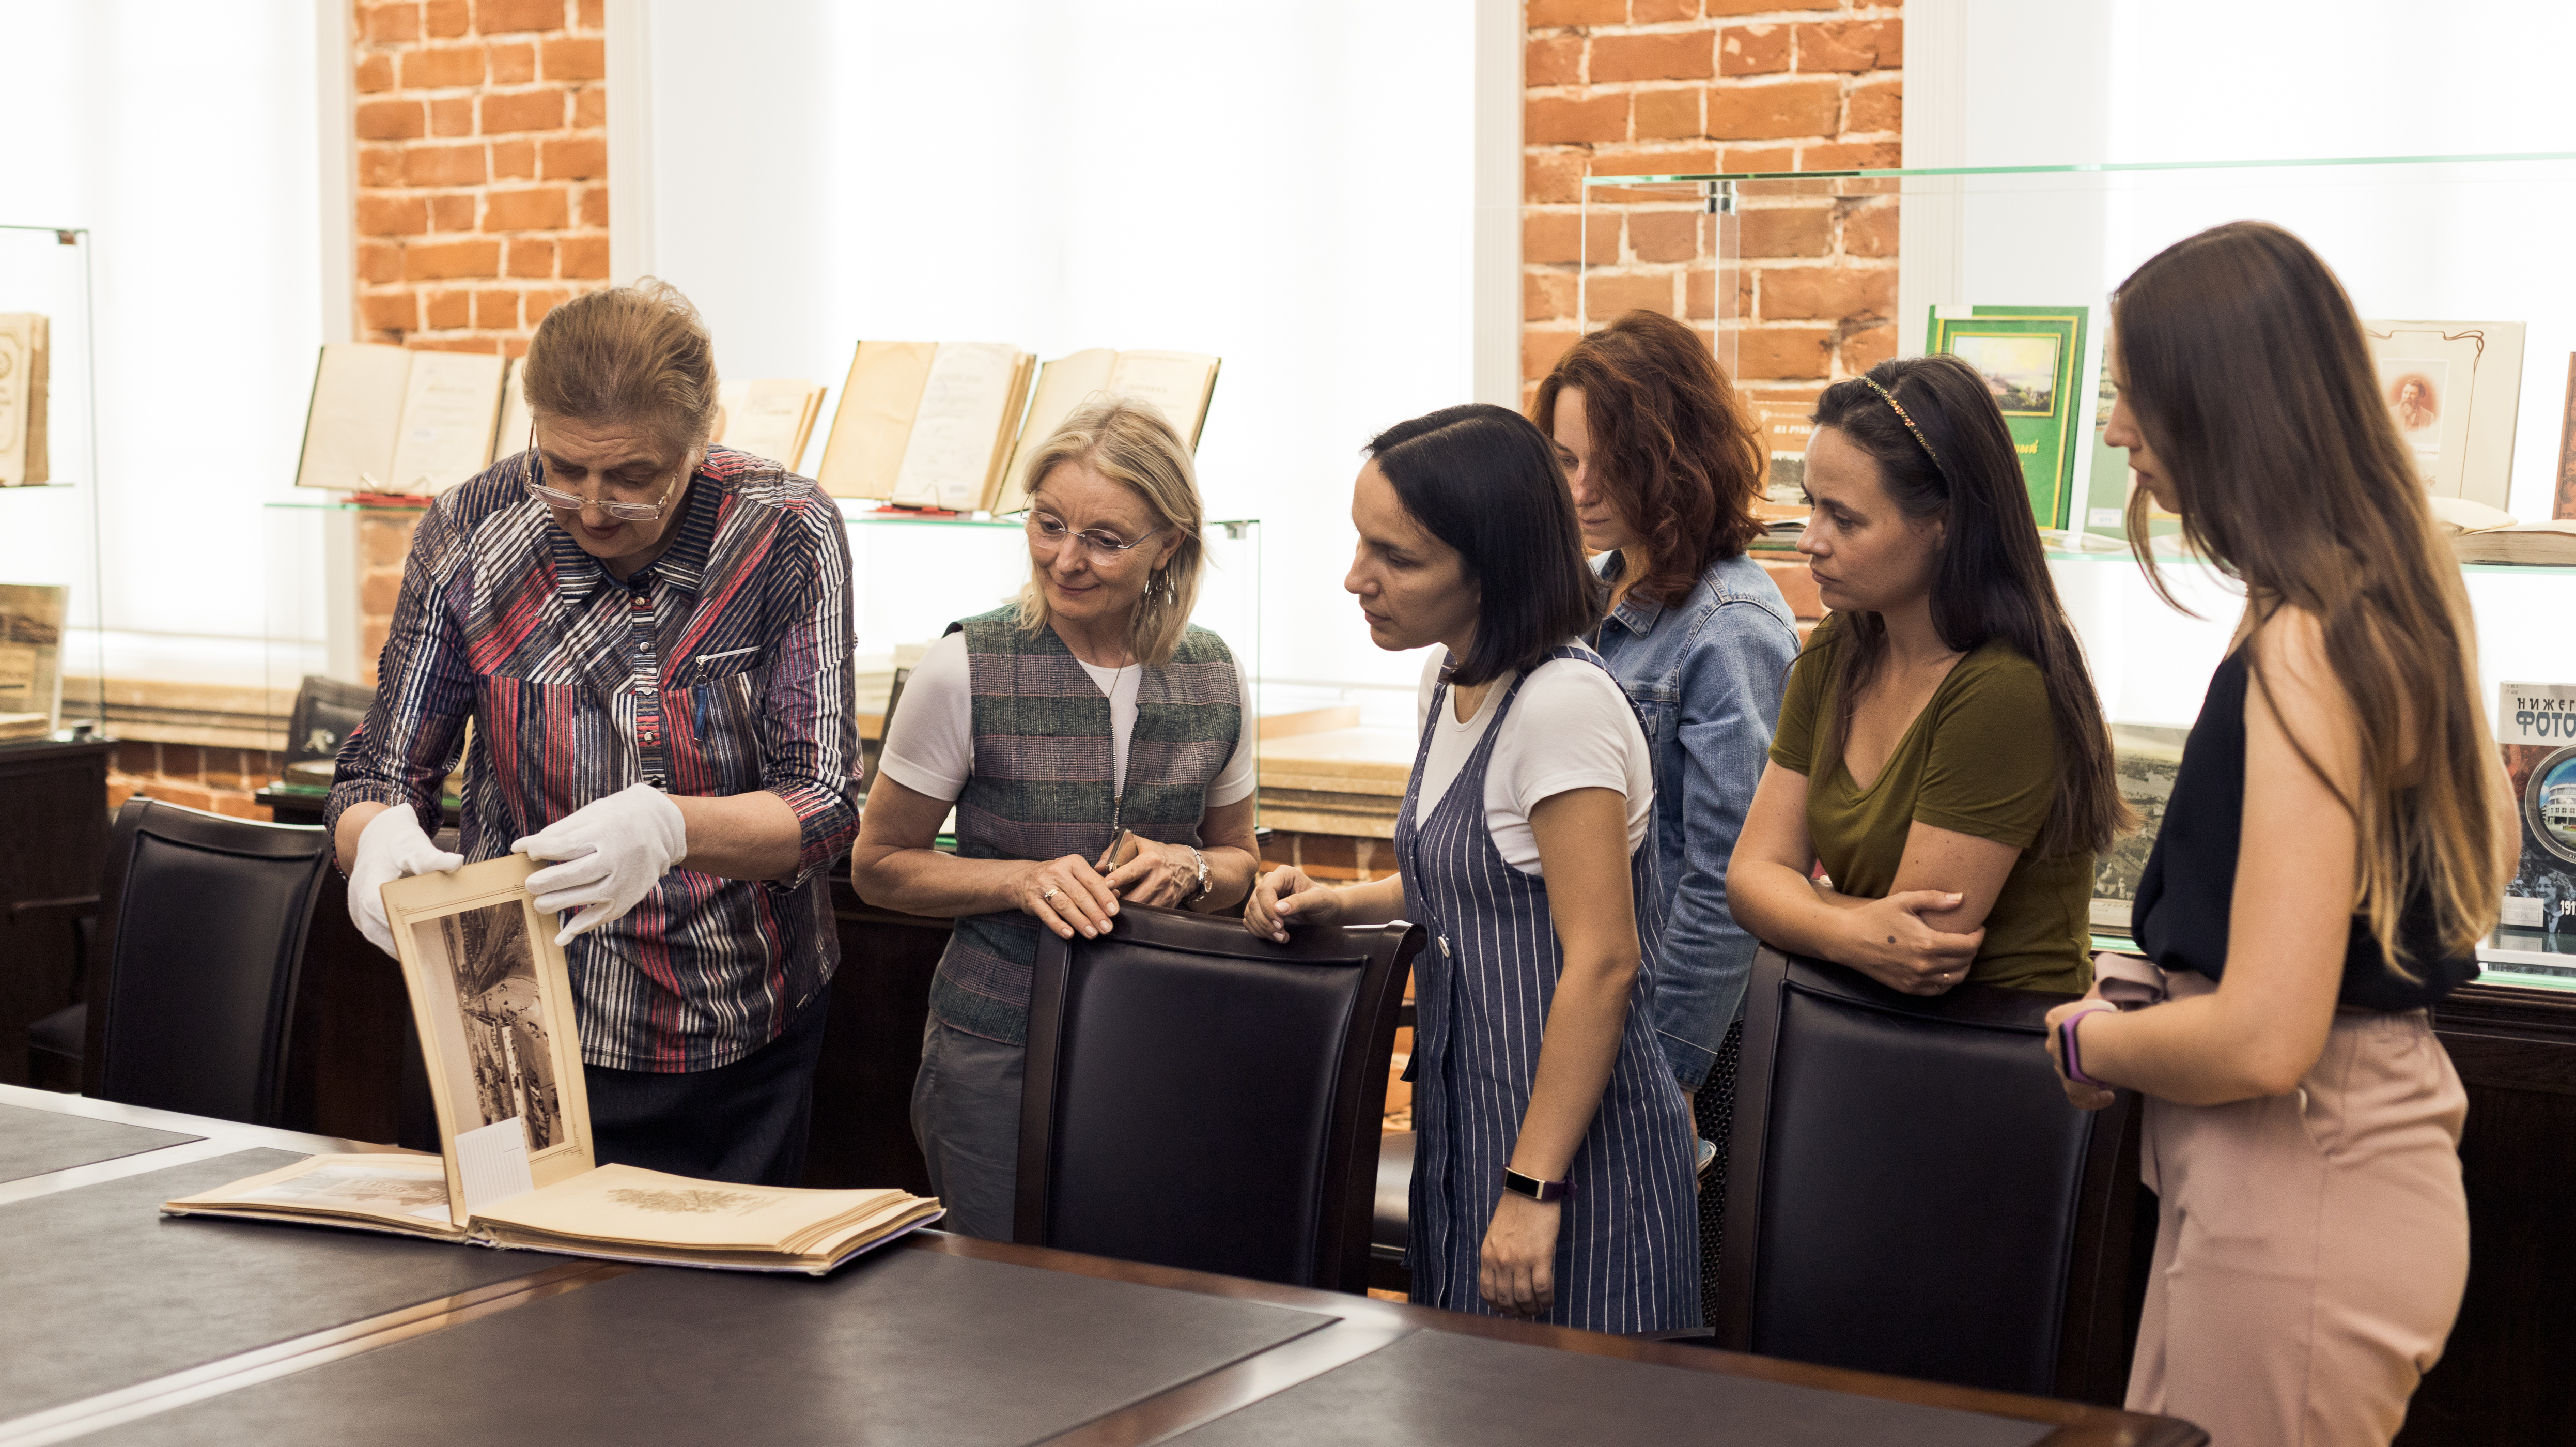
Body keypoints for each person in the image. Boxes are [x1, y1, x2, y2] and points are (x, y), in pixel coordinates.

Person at [2050, 220, 2509, 1446]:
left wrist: (2097, 1042)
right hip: (2297, 1172)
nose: (2109, 433)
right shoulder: (2361, 609)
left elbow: (2263, 1035)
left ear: (2221, 403)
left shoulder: (2307, 642)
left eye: (2129, 398)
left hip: (2301, 1181)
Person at [327, 280, 860, 1187]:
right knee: (500, 1310)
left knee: (719, 1321)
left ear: (702, 439)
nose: (593, 507)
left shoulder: (785, 534)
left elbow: (824, 805)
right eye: (564, 468)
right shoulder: (470, 530)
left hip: (728, 1023)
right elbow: (377, 774)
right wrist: (374, 838)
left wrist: (671, 828)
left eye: (634, 478)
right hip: (506, 1018)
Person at [1247, 404, 1698, 1334]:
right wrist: (1337, 901)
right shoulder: (1451, 678)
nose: (1355, 579)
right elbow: (1466, 882)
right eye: (1360, 543)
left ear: (1492, 571)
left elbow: (1603, 960)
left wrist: (1534, 1187)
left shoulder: (1561, 707)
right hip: (1473, 1132)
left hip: (1575, 1159)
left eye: (1397, 559)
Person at [850, 399, 1261, 1241]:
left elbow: (1241, 861)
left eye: (1105, 540)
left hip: (1167, 1049)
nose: (1065, 560)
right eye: (1046, 524)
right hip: (993, 1051)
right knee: (1001, 1322)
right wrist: (1020, 880)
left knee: (1149, 1310)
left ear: (1168, 547)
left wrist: (1195, 871)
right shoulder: (964, 667)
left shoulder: (1214, 674)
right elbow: (878, 864)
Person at [1533, 309, 1799, 1316]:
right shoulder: (1590, 598)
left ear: (1678, 458)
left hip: (1685, 1033)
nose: (1585, 490)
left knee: (1664, 1337)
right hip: (1597, 1018)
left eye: (1614, 463)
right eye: (1564, 460)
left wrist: (1665, 1066)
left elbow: (1728, 878)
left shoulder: (1729, 623)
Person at [1728, 355, 2129, 997]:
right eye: (1812, 506)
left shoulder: (2004, 688)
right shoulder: (1839, 648)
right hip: (1857, 1037)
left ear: (1944, 523)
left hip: (1984, 1060)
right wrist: (1854, 928)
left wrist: (1805, 906)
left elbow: (1921, 955)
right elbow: (1750, 878)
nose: (1810, 541)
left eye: (1846, 518)